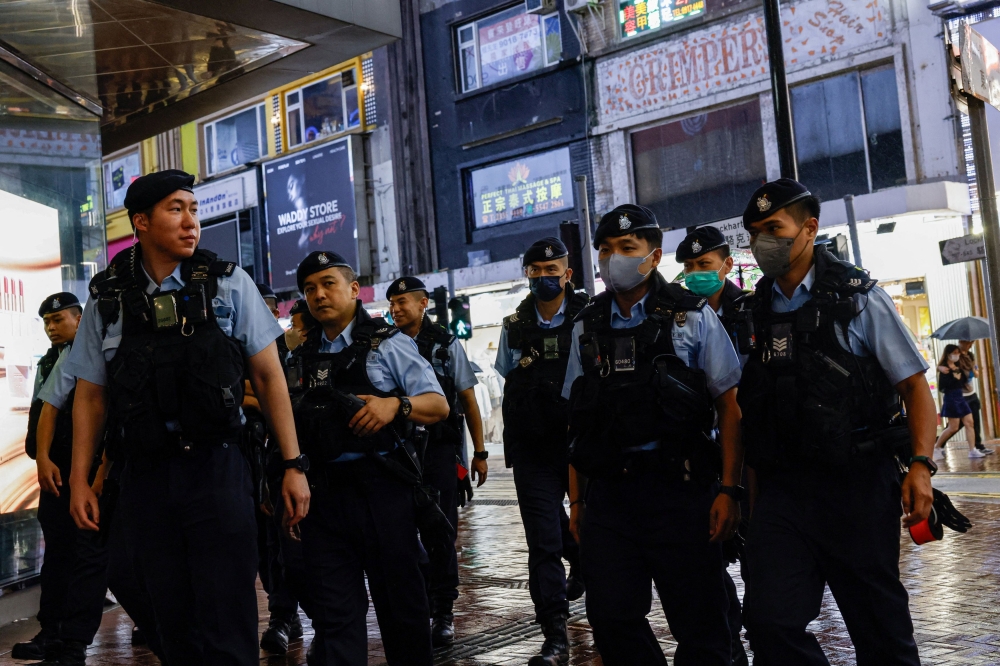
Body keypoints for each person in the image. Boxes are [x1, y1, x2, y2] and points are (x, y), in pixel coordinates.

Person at [64, 170, 311, 665]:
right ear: (141, 222)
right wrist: (79, 478)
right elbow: (90, 395)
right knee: (169, 617)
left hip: (217, 470)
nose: (191, 221)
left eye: (194, 210)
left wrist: (293, 464)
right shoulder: (107, 300)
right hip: (145, 476)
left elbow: (268, 377)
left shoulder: (227, 283)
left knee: (228, 615)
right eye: (175, 209)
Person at [736, 179, 935, 665]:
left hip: (857, 487)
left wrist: (921, 464)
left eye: (773, 228)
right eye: (755, 232)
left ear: (809, 228)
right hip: (784, 493)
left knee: (881, 634)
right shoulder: (753, 310)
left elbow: (914, 388)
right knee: (768, 621)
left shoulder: (858, 298)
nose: (764, 242)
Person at [563, 205, 743, 666]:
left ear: (654, 256)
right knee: (610, 617)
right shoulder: (588, 324)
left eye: (627, 248)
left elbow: (729, 408)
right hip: (610, 498)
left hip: (680, 490)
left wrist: (727, 489)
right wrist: (578, 502)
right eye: (605, 249)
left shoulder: (692, 315)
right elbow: (577, 419)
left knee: (700, 623)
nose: (613, 258)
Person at [290, 251, 450, 665]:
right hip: (323, 497)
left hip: (382, 490)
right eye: (310, 289)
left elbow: (438, 405)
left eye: (328, 284)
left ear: (353, 289)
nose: (319, 295)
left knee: (403, 612)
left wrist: (396, 406)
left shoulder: (387, 343)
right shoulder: (302, 354)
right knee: (335, 616)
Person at [494, 237, 590, 666]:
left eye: (552, 272)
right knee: (543, 543)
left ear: (567, 275)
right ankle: (554, 633)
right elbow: (506, 377)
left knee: (589, 527)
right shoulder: (513, 326)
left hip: (582, 446)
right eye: (535, 272)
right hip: (533, 448)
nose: (543, 279)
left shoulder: (590, 318)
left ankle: (587, 569)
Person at [386, 276, 488, 647]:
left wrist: (478, 453)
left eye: (402, 302)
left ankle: (443, 609)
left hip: (440, 452)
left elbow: (468, 400)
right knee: (398, 530)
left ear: (423, 303)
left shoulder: (446, 345)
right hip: (399, 454)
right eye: (391, 303)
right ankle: (420, 600)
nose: (395, 309)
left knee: (440, 529)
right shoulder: (384, 346)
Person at [13, 293, 107, 666]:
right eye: (47, 322)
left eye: (58, 320)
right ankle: (53, 633)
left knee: (89, 554)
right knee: (59, 555)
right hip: (59, 473)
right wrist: (45, 459)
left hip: (94, 470)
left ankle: (74, 642)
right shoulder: (54, 359)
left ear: (79, 317)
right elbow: (46, 409)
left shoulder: (95, 349)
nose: (52, 327)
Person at [676, 226, 750, 666]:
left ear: (727, 265)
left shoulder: (751, 310)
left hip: (752, 450)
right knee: (710, 555)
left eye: (704, 265)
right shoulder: (683, 314)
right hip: (706, 452)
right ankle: (730, 641)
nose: (696, 273)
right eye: (688, 267)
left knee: (755, 552)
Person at [250, 282, 307, 655]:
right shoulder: (257, 347)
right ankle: (284, 616)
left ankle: (297, 618)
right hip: (261, 457)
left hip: (305, 460)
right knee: (269, 547)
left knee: (297, 547)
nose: (271, 316)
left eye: (274, 309)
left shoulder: (307, 351)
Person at [934, 344, 982, 459]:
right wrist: (949, 374)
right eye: (954, 353)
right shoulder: (945, 369)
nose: (957, 355)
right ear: (948, 354)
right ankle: (937, 447)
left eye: (958, 353)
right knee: (953, 427)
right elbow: (942, 387)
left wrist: (970, 371)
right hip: (951, 399)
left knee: (969, 423)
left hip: (960, 397)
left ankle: (972, 450)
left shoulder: (958, 366)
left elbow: (964, 378)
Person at [958, 340, 992, 454]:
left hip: (971, 394)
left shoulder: (970, 355)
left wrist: (974, 369)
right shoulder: (956, 355)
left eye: (971, 344)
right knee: (955, 425)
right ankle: (939, 444)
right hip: (960, 395)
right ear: (960, 342)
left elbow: (976, 373)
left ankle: (978, 446)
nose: (970, 346)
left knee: (974, 422)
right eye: (968, 343)